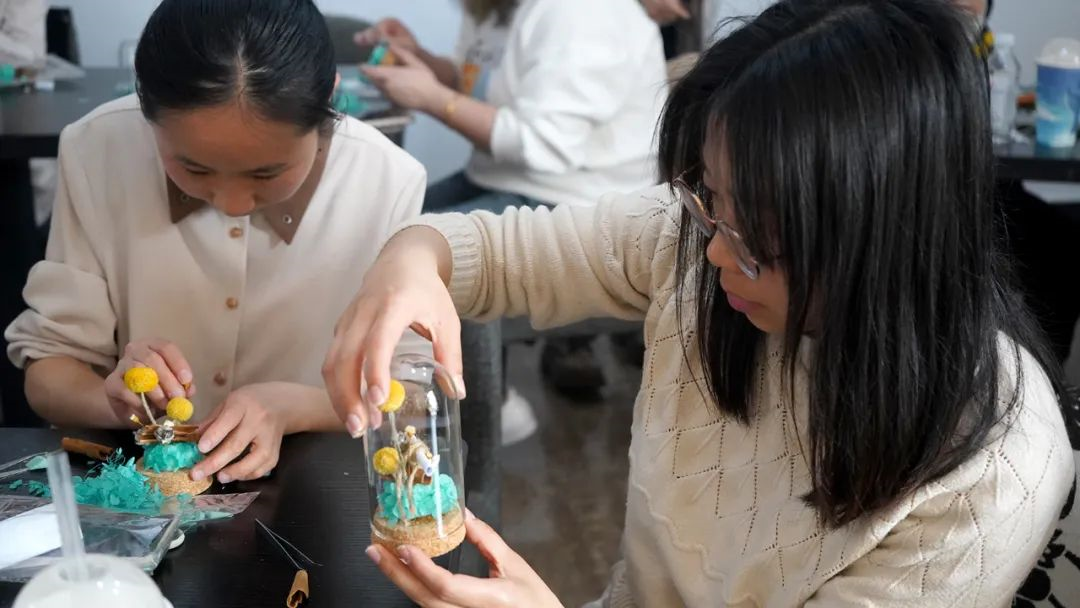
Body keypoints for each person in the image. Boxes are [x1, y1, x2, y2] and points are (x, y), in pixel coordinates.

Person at [324, 0, 1075, 604]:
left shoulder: (990, 476)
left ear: (882, 238)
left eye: (761, 236)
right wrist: (410, 261)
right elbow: (496, 250)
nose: (714, 250)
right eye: (712, 195)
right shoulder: (696, 239)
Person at [5, 0, 427, 484]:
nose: (232, 203)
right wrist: (114, 400)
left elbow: (414, 394)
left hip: (319, 486)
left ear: (328, 101)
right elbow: (48, 372)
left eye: (266, 173)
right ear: (146, 107)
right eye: (194, 168)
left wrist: (298, 407)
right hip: (137, 486)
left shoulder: (386, 182)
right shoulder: (98, 149)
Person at [355, 0, 668, 413]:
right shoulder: (491, 8)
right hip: (504, 177)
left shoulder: (581, 14)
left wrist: (432, 98)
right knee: (378, 228)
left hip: (575, 197)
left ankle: (482, 408)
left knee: (402, 258)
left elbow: (542, 145)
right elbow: (480, 84)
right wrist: (423, 61)